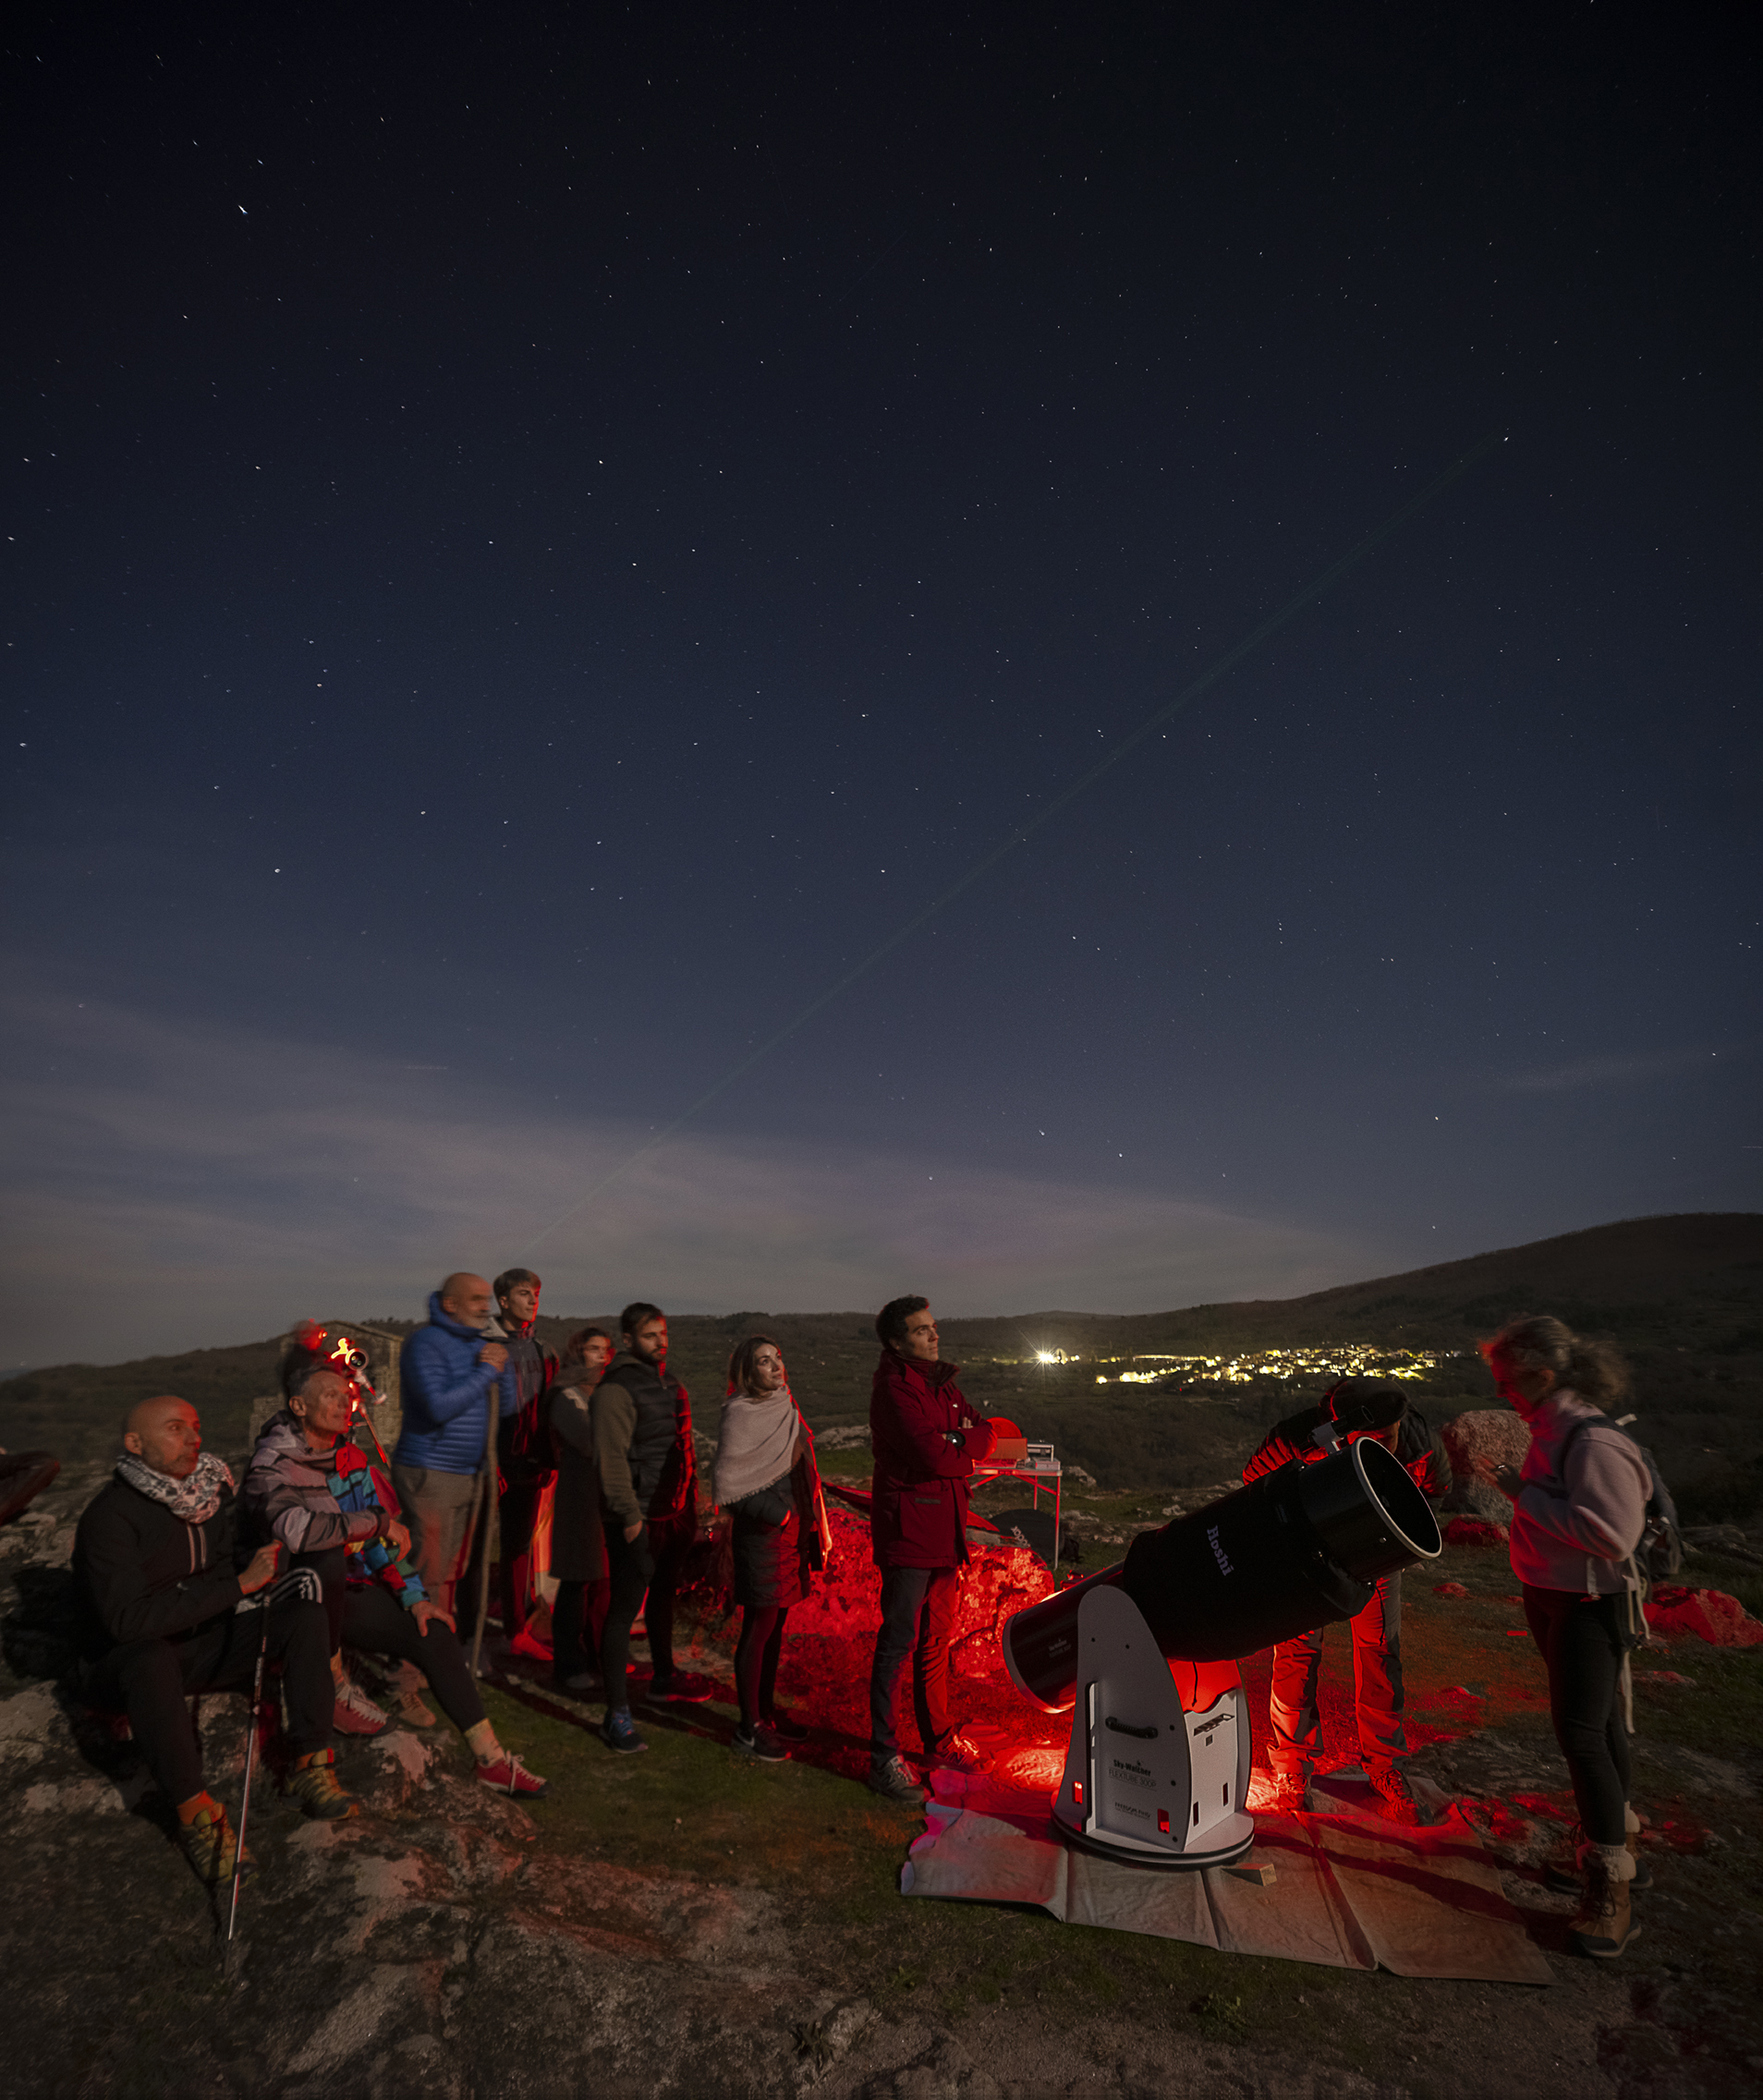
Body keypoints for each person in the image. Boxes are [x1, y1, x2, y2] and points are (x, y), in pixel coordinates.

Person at [73, 1394, 355, 1887]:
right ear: (134, 1444)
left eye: (196, 1427)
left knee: (304, 1616)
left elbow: (229, 1564)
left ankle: (309, 1761)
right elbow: (125, 1621)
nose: (193, 1438)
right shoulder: (110, 1517)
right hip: (129, 1664)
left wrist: (261, 1566)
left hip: (203, 1641)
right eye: (175, 1429)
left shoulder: (211, 1495)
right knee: (149, 1657)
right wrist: (237, 1587)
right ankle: (196, 1815)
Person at [246, 1366, 548, 1796]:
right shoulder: (274, 1463)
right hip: (290, 1602)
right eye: (329, 1395)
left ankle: (492, 1760)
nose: (343, 1402)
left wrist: (415, 1597)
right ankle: (333, 1685)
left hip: (342, 1597)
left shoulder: (351, 1461)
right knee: (325, 1555)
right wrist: (373, 1523)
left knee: (432, 1629)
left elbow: (379, 1544)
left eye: (346, 1394)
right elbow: (298, 1531)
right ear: (298, 1406)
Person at [1483, 1315, 1651, 1959]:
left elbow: (1612, 1535)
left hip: (1589, 1601)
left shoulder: (1590, 1441)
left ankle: (1611, 1887)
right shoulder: (1551, 1429)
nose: (1503, 1393)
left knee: (1584, 1733)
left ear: (1541, 1374)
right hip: (1557, 1594)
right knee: (1601, 1724)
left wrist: (1522, 1494)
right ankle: (1618, 1840)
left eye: (1508, 1381)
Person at [1242, 1378, 1453, 1823]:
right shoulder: (1298, 1438)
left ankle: (1385, 1765)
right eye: (1371, 1440)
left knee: (1380, 1651)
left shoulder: (1421, 1444)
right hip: (1307, 1550)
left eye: (1389, 1438)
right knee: (1297, 1651)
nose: (1385, 1447)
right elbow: (1253, 1481)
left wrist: (1399, 1530)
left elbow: (1435, 1491)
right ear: (1342, 1427)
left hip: (1376, 1549)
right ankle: (1292, 1766)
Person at [866, 1295, 997, 1804]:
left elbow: (981, 1429)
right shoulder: (895, 1392)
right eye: (921, 1331)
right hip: (910, 1533)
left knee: (935, 1640)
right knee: (898, 1642)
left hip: (945, 1533)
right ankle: (883, 1756)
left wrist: (960, 1440)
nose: (933, 1335)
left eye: (933, 1326)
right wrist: (960, 1443)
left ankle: (939, 1741)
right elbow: (934, 1453)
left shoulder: (939, 1384)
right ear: (897, 1342)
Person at [590, 1302, 715, 1752]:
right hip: (637, 1517)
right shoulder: (615, 1392)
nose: (660, 1342)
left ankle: (663, 1676)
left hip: (674, 1512)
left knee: (663, 1595)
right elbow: (612, 1461)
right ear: (627, 1341)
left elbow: (684, 1447)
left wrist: (691, 1506)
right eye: (650, 1336)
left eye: (663, 1334)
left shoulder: (671, 1386)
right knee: (625, 1610)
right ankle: (616, 1712)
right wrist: (628, 1520)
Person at [712, 1334, 830, 1761]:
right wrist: (776, 1513)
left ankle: (765, 1711)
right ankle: (749, 1728)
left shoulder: (785, 1405)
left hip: (791, 1535)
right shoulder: (740, 1414)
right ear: (748, 1371)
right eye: (765, 1362)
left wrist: (804, 1518)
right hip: (764, 1535)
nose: (776, 1366)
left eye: (778, 1358)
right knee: (758, 1628)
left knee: (775, 1626)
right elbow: (728, 1485)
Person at [390, 1273, 516, 1644]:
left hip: (467, 1474)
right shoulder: (425, 1344)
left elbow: (503, 1406)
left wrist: (500, 1368)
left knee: (449, 1572)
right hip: (431, 1470)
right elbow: (438, 1407)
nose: (486, 1307)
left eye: (486, 1299)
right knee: (427, 1571)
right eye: (477, 1299)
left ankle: (437, 1656)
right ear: (450, 1304)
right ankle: (405, 1674)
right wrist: (485, 1371)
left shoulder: (476, 1344)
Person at [487, 1268, 558, 1648]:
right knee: (477, 1547)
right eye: (524, 1294)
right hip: (491, 1465)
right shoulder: (482, 1346)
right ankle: (464, 1631)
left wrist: (549, 1461)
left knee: (518, 1547)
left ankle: (515, 1629)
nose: (533, 1301)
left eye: (536, 1294)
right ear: (503, 1301)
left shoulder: (543, 1351)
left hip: (531, 1465)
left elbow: (550, 1411)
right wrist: (487, 1463)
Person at [547, 1326, 615, 1697]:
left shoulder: (609, 1390)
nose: (601, 1356)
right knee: (577, 1582)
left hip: (610, 1497)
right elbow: (590, 1441)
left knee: (603, 1583)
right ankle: (568, 1663)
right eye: (593, 1349)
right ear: (578, 1352)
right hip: (580, 1498)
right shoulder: (565, 1394)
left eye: (605, 1349)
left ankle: (601, 1656)